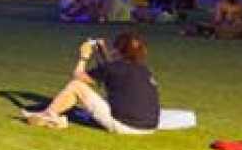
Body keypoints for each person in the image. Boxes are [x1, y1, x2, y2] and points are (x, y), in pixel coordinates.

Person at [24, 34, 161, 134]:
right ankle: (52, 113)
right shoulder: (144, 69)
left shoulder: (115, 68)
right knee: (109, 98)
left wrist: (84, 56)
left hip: (126, 126)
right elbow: (110, 70)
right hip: (149, 127)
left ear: (118, 50)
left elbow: (78, 77)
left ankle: (48, 115)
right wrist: (102, 51)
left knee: (76, 86)